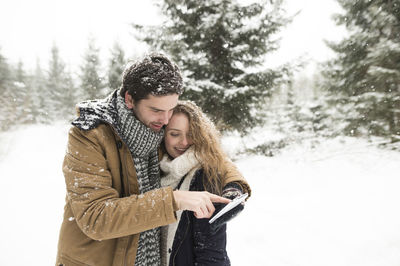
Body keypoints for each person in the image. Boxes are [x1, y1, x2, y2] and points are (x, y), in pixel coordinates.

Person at [56, 53, 249, 266]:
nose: (165, 119)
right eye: (157, 110)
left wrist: (233, 186)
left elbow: (206, 154)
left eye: (170, 110)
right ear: (129, 99)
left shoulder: (157, 127)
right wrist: (174, 200)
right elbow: (95, 218)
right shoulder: (89, 134)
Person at [159, 101, 251, 266]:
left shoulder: (205, 176)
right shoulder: (152, 170)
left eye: (191, 134)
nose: (184, 142)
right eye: (175, 134)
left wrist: (234, 188)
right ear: (163, 133)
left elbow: (212, 253)